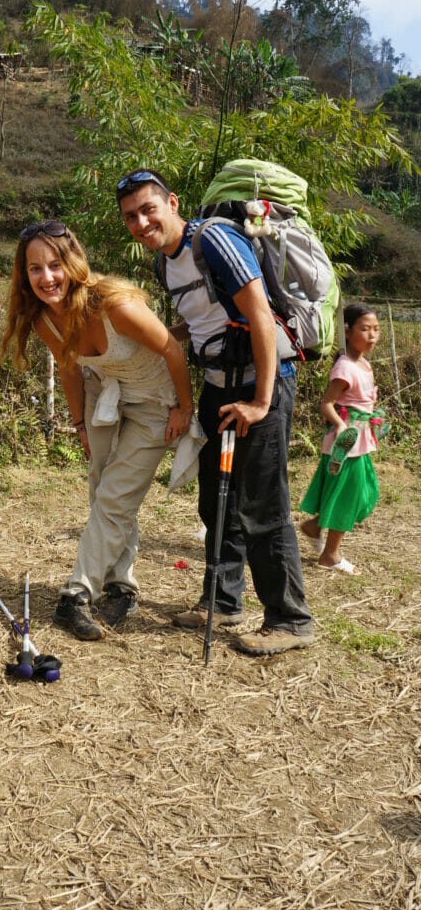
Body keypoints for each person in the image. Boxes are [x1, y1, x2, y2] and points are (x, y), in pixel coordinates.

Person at [116, 168, 314, 656]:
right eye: (131, 217)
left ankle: (290, 618)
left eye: (148, 209)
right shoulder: (167, 264)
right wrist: (156, 339)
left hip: (260, 382)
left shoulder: (216, 241)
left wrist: (262, 402)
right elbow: (202, 322)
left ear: (173, 203)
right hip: (218, 384)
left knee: (262, 504)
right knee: (216, 501)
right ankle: (223, 601)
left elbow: (262, 319)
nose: (142, 222)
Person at [0, 219, 194, 640]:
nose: (47, 277)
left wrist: (184, 407)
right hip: (103, 392)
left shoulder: (113, 305)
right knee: (102, 489)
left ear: (73, 262)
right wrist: (78, 423)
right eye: (35, 269)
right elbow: (70, 366)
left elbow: (172, 349)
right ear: (24, 275)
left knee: (115, 495)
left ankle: (75, 595)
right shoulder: (43, 320)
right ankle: (121, 586)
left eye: (55, 265)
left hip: (155, 399)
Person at [300, 303, 382, 575]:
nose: (371, 335)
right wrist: (340, 426)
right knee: (350, 496)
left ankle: (316, 525)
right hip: (345, 446)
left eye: (376, 329)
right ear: (347, 331)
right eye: (364, 329)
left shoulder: (363, 364)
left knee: (363, 492)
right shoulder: (345, 367)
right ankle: (330, 555)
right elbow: (326, 404)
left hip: (360, 443)